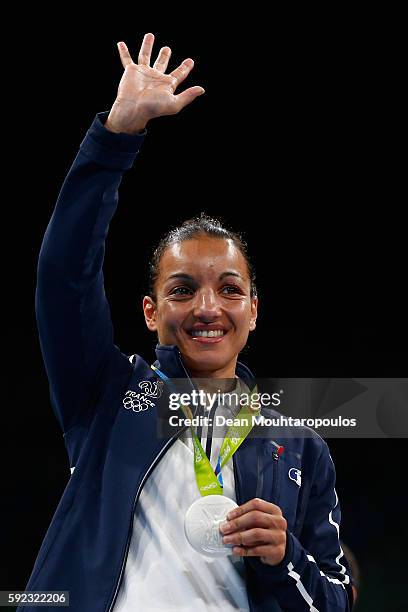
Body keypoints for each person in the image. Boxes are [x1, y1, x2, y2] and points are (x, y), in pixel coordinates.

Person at [20, 33, 354, 611]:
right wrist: (115, 137)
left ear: (253, 309)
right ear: (150, 313)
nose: (207, 308)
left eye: (229, 289)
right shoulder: (107, 395)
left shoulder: (299, 445)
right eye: (182, 290)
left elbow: (336, 600)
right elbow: (62, 276)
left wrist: (284, 557)